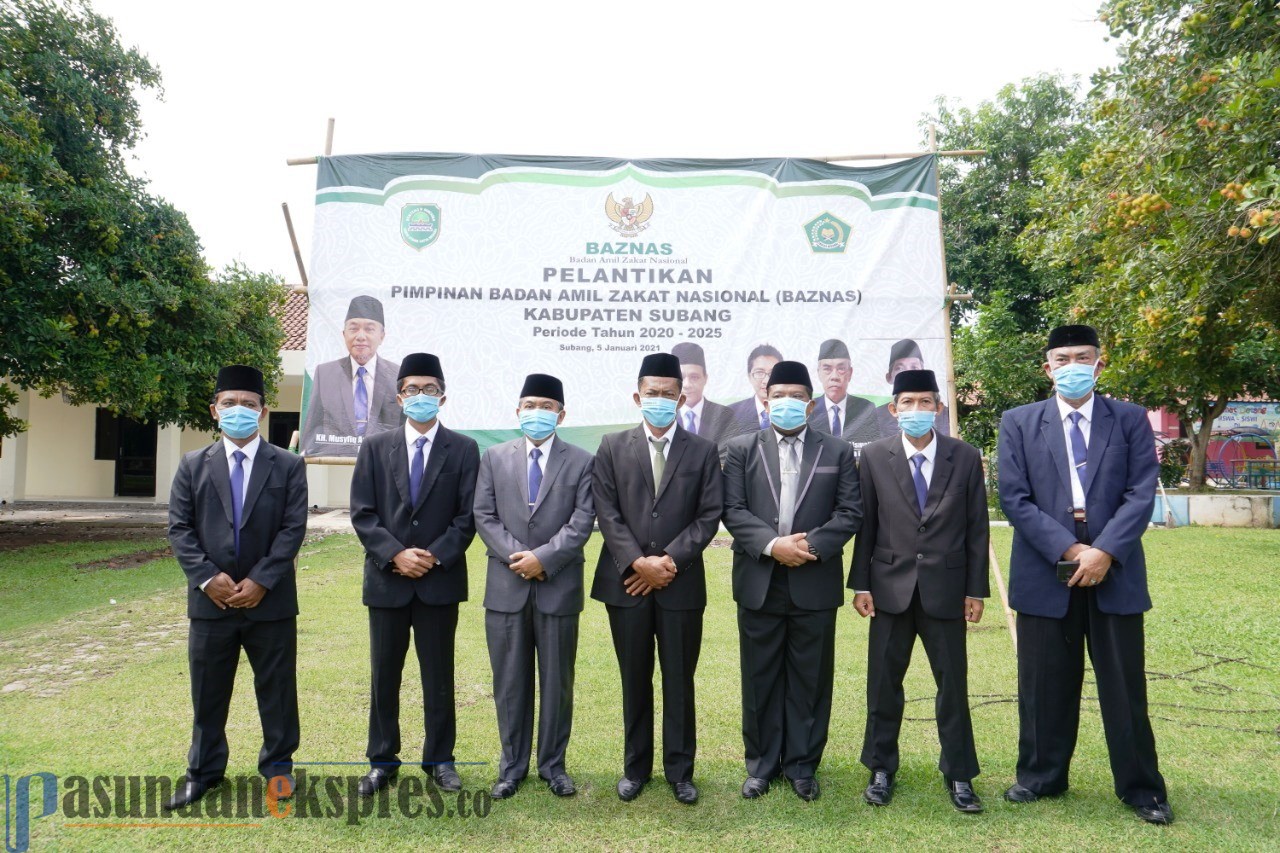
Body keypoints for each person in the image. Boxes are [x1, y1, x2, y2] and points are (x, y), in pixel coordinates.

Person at [997, 324, 1172, 825]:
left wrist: (1104, 552)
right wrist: (1072, 548)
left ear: (1099, 363)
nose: (1070, 366)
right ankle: (1039, 777)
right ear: (1046, 366)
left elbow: (1141, 493)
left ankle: (1142, 788)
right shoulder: (1019, 422)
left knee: (1123, 683)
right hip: (1044, 567)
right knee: (1043, 683)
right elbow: (1015, 498)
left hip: (1114, 570)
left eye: (1081, 357)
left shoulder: (1130, 420)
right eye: (1061, 358)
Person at [164, 365, 308, 809]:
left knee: (278, 690)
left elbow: (292, 528)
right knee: (208, 690)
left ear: (263, 412)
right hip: (212, 603)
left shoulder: (287, 465)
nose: (239, 410)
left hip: (271, 601)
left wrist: (262, 580)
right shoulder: (192, 465)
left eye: (249, 403)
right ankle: (203, 772)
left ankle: (279, 770)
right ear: (214, 411)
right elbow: (179, 529)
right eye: (230, 403)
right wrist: (208, 578)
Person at [850, 369, 989, 813]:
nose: (916, 411)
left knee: (952, 684)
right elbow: (866, 525)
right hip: (889, 589)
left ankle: (960, 774)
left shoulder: (964, 457)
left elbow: (976, 529)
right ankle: (881, 767)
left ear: (938, 408)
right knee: (884, 683)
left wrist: (975, 590)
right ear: (893, 410)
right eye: (907, 403)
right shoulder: (873, 456)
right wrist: (860, 584)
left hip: (947, 590)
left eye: (924, 402)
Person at [721, 361, 861, 802]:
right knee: (759, 676)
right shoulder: (741, 449)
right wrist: (771, 545)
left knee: (810, 678)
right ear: (765, 400)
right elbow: (733, 510)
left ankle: (802, 766)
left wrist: (808, 547)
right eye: (778, 395)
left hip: (813, 579)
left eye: (796, 397)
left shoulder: (836, 451)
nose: (786, 403)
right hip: (759, 578)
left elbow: (850, 512)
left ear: (810, 403)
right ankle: (761, 765)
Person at [591, 352, 724, 805]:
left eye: (669, 395)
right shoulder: (611, 446)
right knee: (635, 678)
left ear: (682, 398)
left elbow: (709, 516)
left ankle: (680, 771)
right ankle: (635, 768)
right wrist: (637, 562)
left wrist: (667, 561)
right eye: (653, 394)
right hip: (625, 584)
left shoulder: (703, 450)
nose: (661, 401)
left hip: (680, 584)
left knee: (679, 679)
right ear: (638, 396)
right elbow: (605, 512)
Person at [349, 352, 480, 797]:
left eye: (429, 389)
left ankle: (440, 759)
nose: (419, 396)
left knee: (439, 675)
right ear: (399, 395)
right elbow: (363, 514)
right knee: (384, 674)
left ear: (442, 396)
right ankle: (382, 761)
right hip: (387, 581)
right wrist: (396, 554)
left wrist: (434, 556)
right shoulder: (374, 446)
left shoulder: (463, 449)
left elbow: (468, 517)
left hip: (438, 582)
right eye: (411, 389)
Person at [473, 373, 595, 800]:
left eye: (546, 406)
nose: (537, 413)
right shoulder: (494, 458)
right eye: (530, 405)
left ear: (562, 414)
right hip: (506, 588)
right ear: (517, 410)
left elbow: (583, 520)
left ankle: (553, 766)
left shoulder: (581, 460)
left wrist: (544, 558)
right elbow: (484, 516)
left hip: (557, 586)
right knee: (509, 681)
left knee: (558, 682)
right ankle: (511, 767)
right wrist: (518, 558)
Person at [301, 295, 402, 456]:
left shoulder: (398, 375)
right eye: (353, 328)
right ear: (344, 334)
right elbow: (313, 431)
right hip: (335, 469)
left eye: (369, 329)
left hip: (385, 468)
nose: (360, 336)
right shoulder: (325, 374)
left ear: (382, 336)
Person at [807, 338, 879, 455]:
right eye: (827, 369)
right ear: (818, 373)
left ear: (850, 373)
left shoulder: (866, 409)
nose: (834, 376)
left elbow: (873, 453)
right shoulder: (809, 409)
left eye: (841, 369)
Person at [673, 341, 743, 449]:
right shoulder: (665, 416)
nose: (687, 384)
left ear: (705, 378)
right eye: (681, 377)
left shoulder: (724, 416)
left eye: (694, 377)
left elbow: (730, 456)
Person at [874, 339, 952, 438]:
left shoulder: (946, 414)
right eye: (899, 368)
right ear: (889, 377)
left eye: (914, 367)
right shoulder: (876, 416)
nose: (908, 373)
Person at [727, 344, 783, 432]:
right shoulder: (730, 414)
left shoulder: (796, 411)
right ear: (749, 376)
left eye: (773, 373)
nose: (766, 380)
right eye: (759, 373)